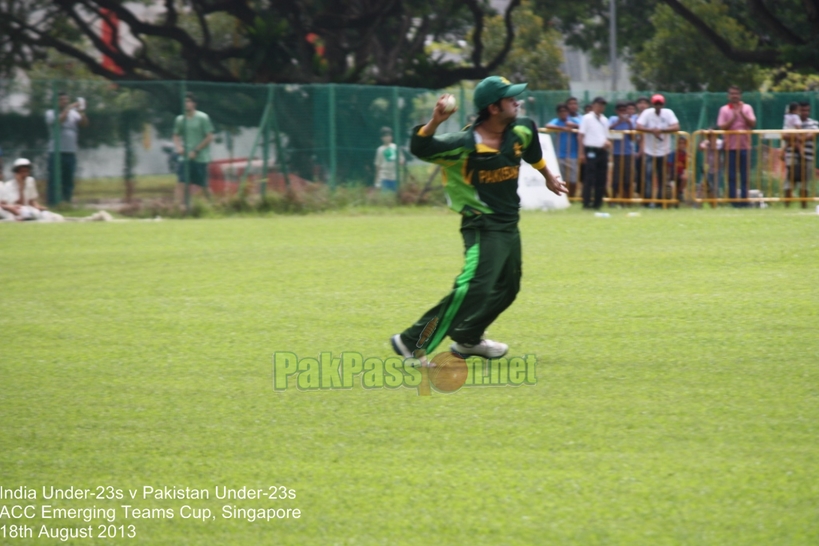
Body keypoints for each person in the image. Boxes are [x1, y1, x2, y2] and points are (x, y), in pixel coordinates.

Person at [390, 76, 567, 363]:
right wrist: (435, 121)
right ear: (494, 108)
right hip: (482, 224)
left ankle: (468, 338)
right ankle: (413, 342)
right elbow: (421, 148)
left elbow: (533, 147)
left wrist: (548, 176)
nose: (517, 101)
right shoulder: (463, 144)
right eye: (510, 99)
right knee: (475, 287)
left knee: (508, 288)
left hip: (509, 223)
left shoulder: (520, 130)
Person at [44, 92, 88, 205]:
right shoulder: (50, 113)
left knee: (68, 180)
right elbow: (59, 121)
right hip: (56, 152)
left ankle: (66, 202)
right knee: (54, 179)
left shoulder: (74, 114)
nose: (65, 102)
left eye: (66, 99)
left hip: (70, 152)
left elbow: (84, 124)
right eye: (62, 99)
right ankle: (53, 204)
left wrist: (82, 111)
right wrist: (68, 109)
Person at [717, 85, 756, 207]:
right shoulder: (724, 109)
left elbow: (753, 123)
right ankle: (733, 201)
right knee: (731, 176)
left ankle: (745, 200)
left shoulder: (747, 108)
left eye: (737, 93)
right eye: (732, 93)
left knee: (745, 175)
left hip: (745, 146)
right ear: (729, 96)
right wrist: (733, 118)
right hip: (730, 147)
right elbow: (722, 126)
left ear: (740, 95)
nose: (734, 96)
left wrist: (742, 114)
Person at [636, 94, 679, 205]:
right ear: (652, 104)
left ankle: (661, 201)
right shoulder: (647, 113)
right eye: (656, 103)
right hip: (649, 151)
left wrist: (662, 130)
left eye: (660, 103)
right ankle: (648, 201)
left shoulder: (668, 113)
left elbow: (676, 127)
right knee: (648, 177)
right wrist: (652, 130)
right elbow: (638, 126)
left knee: (663, 178)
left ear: (663, 104)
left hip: (664, 151)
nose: (658, 105)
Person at [173, 92, 215, 203]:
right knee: (181, 183)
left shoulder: (203, 118)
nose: (186, 104)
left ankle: (215, 208)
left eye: (188, 101)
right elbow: (176, 135)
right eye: (184, 102)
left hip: (200, 158)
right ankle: (177, 209)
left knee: (204, 186)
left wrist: (196, 150)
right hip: (185, 158)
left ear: (194, 104)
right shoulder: (180, 120)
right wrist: (179, 147)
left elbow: (209, 137)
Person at [0, 158, 64, 221]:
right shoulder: (8, 185)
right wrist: (21, 188)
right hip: (17, 211)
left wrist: (38, 207)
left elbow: (31, 201)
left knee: (55, 217)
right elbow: (19, 204)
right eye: (22, 172)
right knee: (29, 214)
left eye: (26, 171)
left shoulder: (30, 181)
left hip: (29, 208)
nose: (24, 174)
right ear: (16, 173)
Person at [578, 96, 611, 210]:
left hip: (602, 150)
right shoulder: (587, 118)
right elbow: (581, 135)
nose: (601, 107)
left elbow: (606, 136)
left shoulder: (605, 120)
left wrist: (607, 143)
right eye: (599, 104)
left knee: (601, 178)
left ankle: (598, 203)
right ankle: (586, 203)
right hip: (590, 149)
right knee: (589, 177)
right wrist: (581, 153)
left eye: (603, 105)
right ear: (593, 105)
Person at [783, 101, 818, 208]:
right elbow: (785, 135)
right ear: (798, 111)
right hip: (792, 156)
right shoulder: (791, 121)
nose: (805, 113)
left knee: (805, 183)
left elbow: (812, 135)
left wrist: (796, 137)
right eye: (802, 110)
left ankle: (804, 206)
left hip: (808, 156)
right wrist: (800, 137)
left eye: (807, 110)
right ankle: (786, 206)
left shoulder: (814, 123)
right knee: (790, 181)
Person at [546, 103, 581, 198]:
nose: (563, 113)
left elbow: (583, 126)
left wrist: (572, 125)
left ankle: (572, 197)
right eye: (561, 111)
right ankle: (564, 198)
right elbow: (548, 125)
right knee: (562, 178)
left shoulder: (573, 120)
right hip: (560, 155)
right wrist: (563, 128)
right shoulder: (556, 121)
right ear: (558, 113)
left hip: (573, 155)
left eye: (565, 111)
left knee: (573, 180)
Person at [609, 100, 635, 202]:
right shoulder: (612, 119)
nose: (623, 113)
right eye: (621, 111)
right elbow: (607, 130)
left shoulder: (631, 121)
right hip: (616, 152)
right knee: (616, 177)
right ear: (616, 111)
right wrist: (619, 122)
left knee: (627, 177)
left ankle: (626, 200)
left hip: (628, 153)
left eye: (624, 111)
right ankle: (614, 199)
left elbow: (633, 137)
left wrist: (629, 123)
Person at [699, 129, 724, 207]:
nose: (709, 137)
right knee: (701, 187)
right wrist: (701, 136)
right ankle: (697, 205)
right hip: (707, 169)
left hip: (717, 169)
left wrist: (713, 138)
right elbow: (700, 148)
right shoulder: (706, 142)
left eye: (711, 135)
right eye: (708, 135)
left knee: (715, 189)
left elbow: (714, 148)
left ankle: (715, 206)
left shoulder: (720, 142)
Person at [373, 127, 403, 192]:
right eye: (385, 136)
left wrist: (400, 162)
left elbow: (402, 161)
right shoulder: (380, 150)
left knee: (396, 198)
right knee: (385, 198)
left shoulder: (395, 147)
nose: (387, 138)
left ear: (391, 137)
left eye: (389, 135)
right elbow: (378, 167)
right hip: (384, 177)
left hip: (395, 177)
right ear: (381, 138)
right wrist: (377, 183)